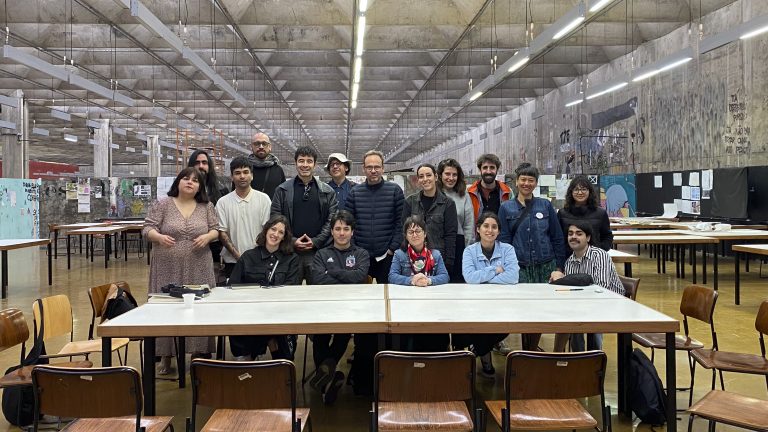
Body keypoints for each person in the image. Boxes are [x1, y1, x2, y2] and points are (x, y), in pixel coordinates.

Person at [143, 167, 219, 375]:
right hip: (167, 266)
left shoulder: (206, 206)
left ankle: (198, 353)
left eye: (195, 181)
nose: (190, 182)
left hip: (199, 265)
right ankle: (166, 357)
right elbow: (147, 228)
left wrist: (208, 237)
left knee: (199, 308)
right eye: (186, 178)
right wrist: (158, 237)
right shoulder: (163, 204)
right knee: (167, 308)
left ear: (200, 187)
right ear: (178, 182)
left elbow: (216, 229)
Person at [499, 162, 567, 351]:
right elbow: (504, 241)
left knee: (543, 311)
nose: (526, 183)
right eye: (523, 179)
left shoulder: (545, 205)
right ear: (516, 181)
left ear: (536, 183)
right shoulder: (506, 208)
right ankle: (526, 350)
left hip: (545, 265)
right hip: (520, 267)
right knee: (523, 310)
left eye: (531, 180)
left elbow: (557, 237)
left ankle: (533, 347)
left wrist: (559, 267)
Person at [310, 210, 370, 405]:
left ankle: (325, 379)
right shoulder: (322, 253)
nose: (342, 233)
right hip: (323, 307)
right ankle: (329, 379)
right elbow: (318, 279)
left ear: (352, 232)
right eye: (338, 229)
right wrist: (345, 275)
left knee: (343, 333)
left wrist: (333, 271)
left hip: (351, 309)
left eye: (346, 229)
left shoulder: (361, 254)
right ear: (332, 232)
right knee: (319, 336)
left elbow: (359, 277)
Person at [228, 215, 300, 361]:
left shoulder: (292, 259)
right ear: (266, 230)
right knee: (245, 344)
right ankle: (251, 359)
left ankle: (275, 353)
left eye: (281, 232)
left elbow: (292, 289)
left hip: (279, 314)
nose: (276, 234)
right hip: (250, 313)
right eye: (273, 229)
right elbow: (233, 286)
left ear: (284, 237)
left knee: (284, 356)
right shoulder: (248, 256)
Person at [458, 212, 519, 378]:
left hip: (503, 302)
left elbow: (513, 277)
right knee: (479, 326)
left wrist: (483, 278)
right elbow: (470, 278)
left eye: (494, 227)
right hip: (476, 303)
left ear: (499, 231)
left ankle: (476, 350)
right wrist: (495, 270)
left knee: (505, 328)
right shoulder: (469, 251)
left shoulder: (508, 249)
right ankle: (485, 362)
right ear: (478, 229)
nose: (490, 230)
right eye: (486, 226)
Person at [551, 221, 625, 351]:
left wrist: (569, 284)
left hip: (610, 303)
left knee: (582, 315)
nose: (573, 237)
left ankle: (594, 356)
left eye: (579, 234)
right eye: (570, 234)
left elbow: (601, 288)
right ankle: (577, 357)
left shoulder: (600, 255)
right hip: (583, 304)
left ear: (588, 238)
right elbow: (570, 289)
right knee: (569, 316)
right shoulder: (570, 262)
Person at [271, 146, 338, 284]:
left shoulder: (327, 191)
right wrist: (292, 240)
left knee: (317, 294)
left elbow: (331, 220)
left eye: (309, 161)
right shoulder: (282, 190)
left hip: (318, 253)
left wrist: (316, 241)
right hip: (289, 252)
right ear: (295, 163)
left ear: (315, 164)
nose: (305, 165)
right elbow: (275, 219)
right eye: (301, 161)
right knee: (289, 294)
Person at [389, 215, 450, 352]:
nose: (415, 235)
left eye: (418, 231)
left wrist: (429, 280)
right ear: (405, 235)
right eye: (410, 232)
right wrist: (412, 280)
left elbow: (445, 276)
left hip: (431, 304)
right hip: (407, 304)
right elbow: (392, 276)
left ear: (425, 233)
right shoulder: (400, 254)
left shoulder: (436, 254)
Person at [345, 149, 404, 283]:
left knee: (389, 295)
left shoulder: (395, 191)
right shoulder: (354, 193)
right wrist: (354, 248)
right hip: (361, 257)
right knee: (362, 299)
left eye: (377, 167)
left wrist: (392, 249)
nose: (373, 170)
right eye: (369, 167)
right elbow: (347, 224)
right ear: (363, 169)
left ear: (383, 168)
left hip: (388, 257)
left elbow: (400, 223)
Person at [215, 156, 272, 279]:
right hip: (232, 263)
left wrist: (254, 256)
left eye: (246, 172)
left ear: (252, 175)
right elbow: (222, 233)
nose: (242, 176)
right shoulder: (222, 202)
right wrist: (239, 258)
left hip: (259, 261)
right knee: (234, 297)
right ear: (231, 177)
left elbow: (267, 230)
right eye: (237, 173)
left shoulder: (264, 199)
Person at [403, 163, 457, 272]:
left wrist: (449, 261)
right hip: (414, 258)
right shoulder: (410, 202)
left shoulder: (448, 203)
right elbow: (404, 231)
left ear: (436, 177)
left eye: (428, 175)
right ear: (418, 180)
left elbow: (450, 234)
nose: (425, 179)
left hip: (439, 258)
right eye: (421, 176)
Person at [188, 149, 228, 282]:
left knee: (213, 282)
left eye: (204, 162)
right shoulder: (185, 191)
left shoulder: (221, 191)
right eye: (197, 163)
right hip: (190, 246)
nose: (201, 166)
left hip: (215, 247)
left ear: (209, 166)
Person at [438, 158, 475, 282]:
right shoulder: (434, 194)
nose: (451, 178)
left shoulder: (463, 195)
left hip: (459, 246)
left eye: (454, 175)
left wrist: (468, 250)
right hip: (437, 245)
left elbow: (469, 225)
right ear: (440, 175)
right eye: (447, 174)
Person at [557, 175, 613, 251]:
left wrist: (599, 251)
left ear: (590, 192)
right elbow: (558, 238)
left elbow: (607, 236)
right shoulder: (562, 213)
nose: (580, 192)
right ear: (571, 192)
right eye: (576, 189)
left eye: (584, 189)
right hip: (568, 258)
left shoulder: (600, 213)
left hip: (594, 258)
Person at [467, 153, 512, 222]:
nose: (488, 171)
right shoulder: (469, 192)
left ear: (497, 170)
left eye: (492, 167)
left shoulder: (507, 192)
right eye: (485, 167)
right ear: (480, 170)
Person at [248, 132, 285, 198]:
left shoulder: (278, 170)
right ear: (251, 147)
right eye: (257, 144)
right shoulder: (245, 169)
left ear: (269, 147)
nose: (261, 147)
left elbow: (283, 195)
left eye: (264, 144)